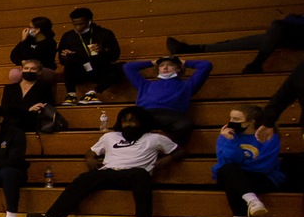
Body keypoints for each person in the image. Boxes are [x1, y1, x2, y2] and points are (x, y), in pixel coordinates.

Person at [35, 107, 181, 217]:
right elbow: (91, 152)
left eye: (133, 121)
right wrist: (90, 159)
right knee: (83, 178)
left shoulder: (155, 138)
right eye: (125, 121)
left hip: (134, 174)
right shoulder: (110, 136)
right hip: (109, 172)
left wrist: (168, 159)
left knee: (142, 175)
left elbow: (179, 151)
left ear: (142, 122)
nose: (129, 124)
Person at [214, 106, 287, 217]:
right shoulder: (227, 136)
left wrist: (240, 169)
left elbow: (264, 166)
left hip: (262, 177)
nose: (231, 121)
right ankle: (252, 201)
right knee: (228, 171)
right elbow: (225, 161)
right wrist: (230, 142)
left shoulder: (269, 137)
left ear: (251, 122)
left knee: (233, 177)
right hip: (235, 176)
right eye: (230, 118)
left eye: (236, 119)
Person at [170, 12, 304, 74]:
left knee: (277, 26)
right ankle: (194, 49)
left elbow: (292, 21)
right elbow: (291, 20)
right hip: (286, 36)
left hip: (296, 39)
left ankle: (256, 63)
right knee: (241, 42)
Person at [124, 55, 210, 140]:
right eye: (161, 65)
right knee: (127, 118)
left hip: (171, 115)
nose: (165, 67)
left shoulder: (187, 85)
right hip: (145, 113)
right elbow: (128, 67)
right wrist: (152, 63)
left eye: (170, 65)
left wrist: (184, 62)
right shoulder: (146, 84)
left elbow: (205, 65)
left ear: (178, 68)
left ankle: (169, 149)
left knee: (185, 125)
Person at [58, 8, 121, 102]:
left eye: (81, 24)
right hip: (80, 70)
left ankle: (93, 93)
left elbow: (115, 56)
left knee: (123, 67)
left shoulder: (104, 34)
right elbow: (61, 60)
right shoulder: (68, 36)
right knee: (70, 61)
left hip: (99, 68)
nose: (78, 27)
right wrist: (65, 56)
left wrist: (103, 50)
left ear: (89, 21)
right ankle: (71, 95)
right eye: (75, 24)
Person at [0, 59, 62, 139]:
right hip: (12, 120)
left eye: (33, 69)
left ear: (39, 72)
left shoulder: (44, 86)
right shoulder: (10, 88)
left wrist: (25, 110)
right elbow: (6, 108)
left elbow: (46, 105)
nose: (29, 71)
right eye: (26, 68)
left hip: (33, 119)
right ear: (21, 70)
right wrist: (28, 109)